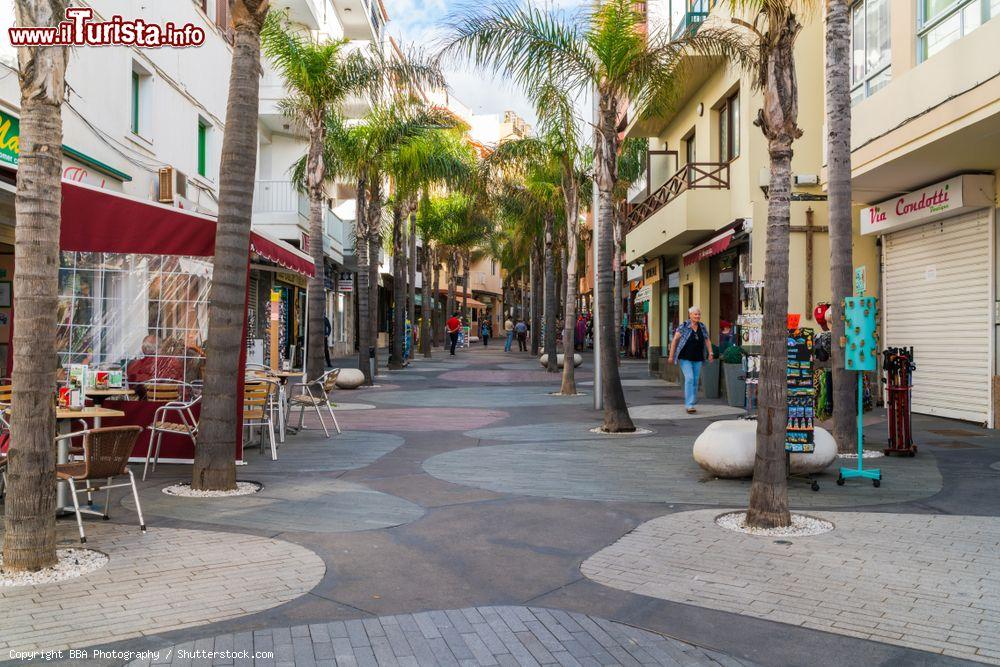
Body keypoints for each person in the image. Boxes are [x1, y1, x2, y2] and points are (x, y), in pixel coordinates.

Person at [668, 306, 714, 414]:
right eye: (695, 314)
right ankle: (689, 404)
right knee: (689, 378)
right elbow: (675, 340)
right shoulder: (684, 326)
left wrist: (711, 353)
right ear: (690, 315)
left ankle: (692, 403)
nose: (698, 316)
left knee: (695, 381)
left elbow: (707, 340)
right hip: (685, 357)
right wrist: (671, 356)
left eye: (699, 314)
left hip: (698, 357)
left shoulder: (702, 326)